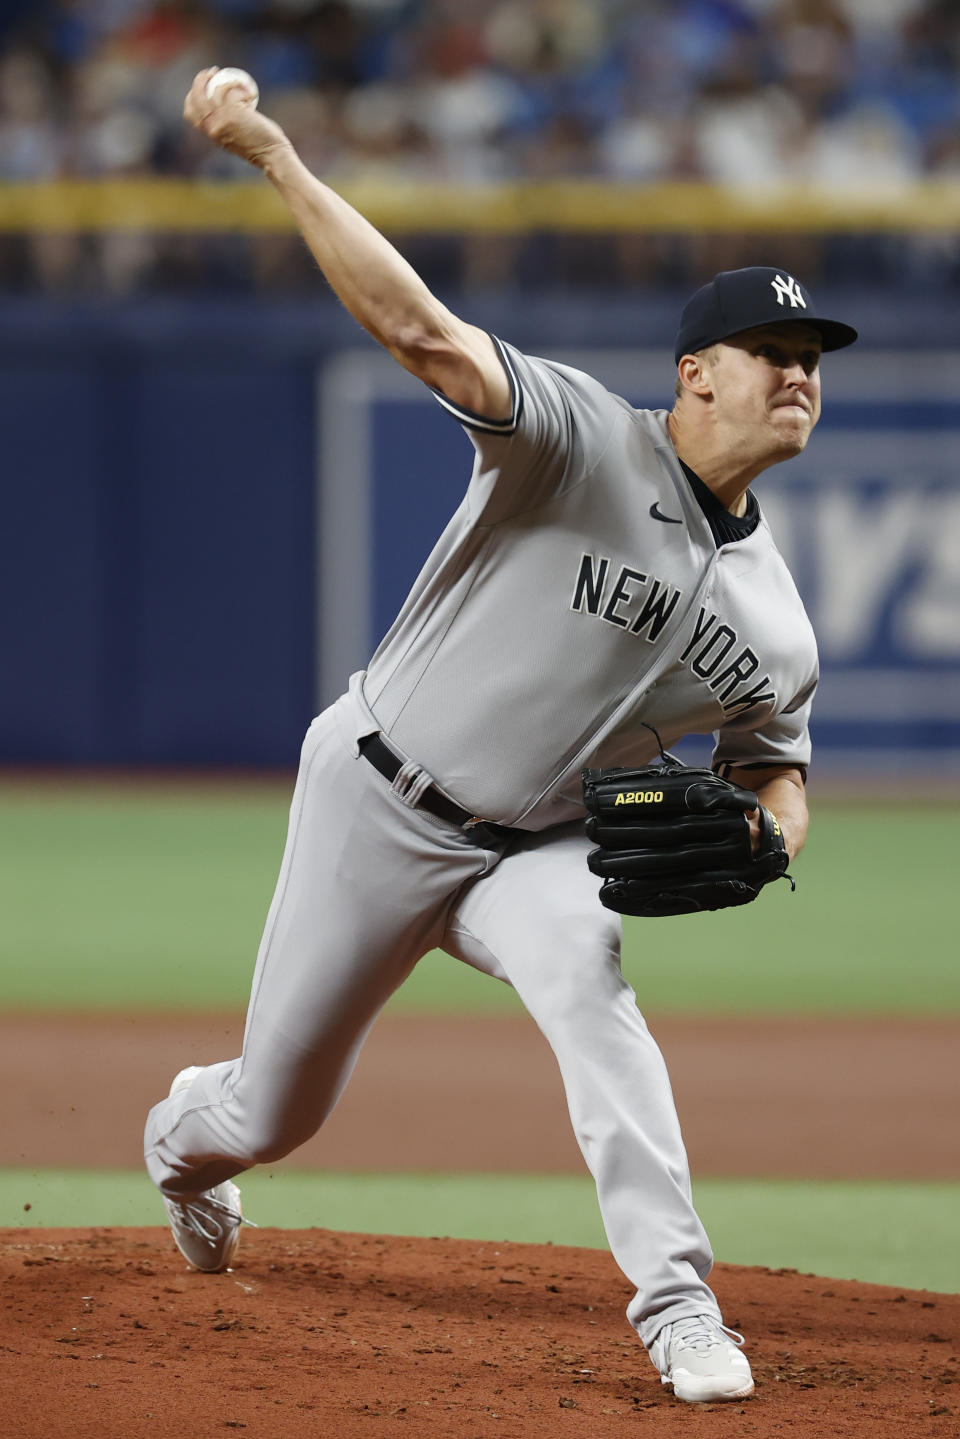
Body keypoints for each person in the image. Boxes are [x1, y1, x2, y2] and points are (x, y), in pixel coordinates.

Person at [144, 67, 858, 1406]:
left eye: (815, 364)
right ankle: (179, 1149)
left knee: (592, 980)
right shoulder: (580, 441)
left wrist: (768, 829)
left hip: (540, 849)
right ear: (697, 373)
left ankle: (679, 1305)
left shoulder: (781, 625)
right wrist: (278, 156)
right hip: (377, 797)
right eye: (778, 357)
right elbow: (421, 333)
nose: (801, 378)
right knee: (271, 1116)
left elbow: (777, 762)